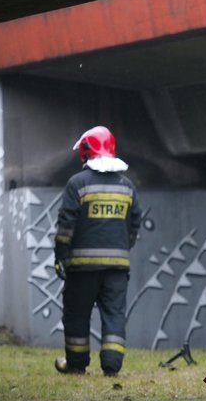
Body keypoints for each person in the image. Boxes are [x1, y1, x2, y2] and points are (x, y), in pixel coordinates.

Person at [53, 126, 142, 376]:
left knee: (77, 315)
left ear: (85, 151)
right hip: (117, 268)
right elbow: (134, 224)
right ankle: (112, 366)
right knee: (114, 315)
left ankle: (76, 365)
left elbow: (65, 225)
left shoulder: (77, 184)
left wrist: (60, 255)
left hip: (82, 268)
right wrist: (124, 247)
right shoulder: (127, 186)